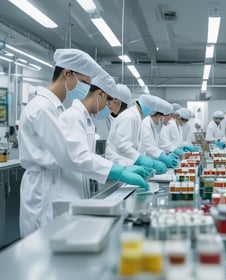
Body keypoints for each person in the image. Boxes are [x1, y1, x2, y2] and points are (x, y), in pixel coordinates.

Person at [19, 49, 149, 237]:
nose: (87, 88)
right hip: (43, 192)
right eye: (85, 82)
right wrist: (118, 170)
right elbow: (72, 155)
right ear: (67, 74)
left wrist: (117, 169)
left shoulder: (55, 108)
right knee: (41, 250)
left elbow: (75, 155)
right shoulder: (41, 109)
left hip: (56, 186)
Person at [54, 73, 151, 211]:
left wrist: (121, 168)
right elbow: (80, 157)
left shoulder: (85, 119)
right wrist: (119, 171)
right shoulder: (72, 117)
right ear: (99, 94)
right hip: (65, 193)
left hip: (78, 189)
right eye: (107, 102)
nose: (107, 107)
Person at [105, 94, 168, 174]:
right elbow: (122, 145)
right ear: (146, 106)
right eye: (152, 109)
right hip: (118, 164)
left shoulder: (136, 117)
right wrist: (139, 159)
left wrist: (147, 160)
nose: (152, 112)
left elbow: (142, 143)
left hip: (125, 163)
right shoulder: (129, 117)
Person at [138, 99, 180, 168]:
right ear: (160, 115)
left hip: (154, 160)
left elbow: (162, 142)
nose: (170, 119)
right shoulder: (146, 124)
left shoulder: (159, 125)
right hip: (146, 162)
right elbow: (147, 147)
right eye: (169, 116)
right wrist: (162, 155)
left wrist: (172, 151)